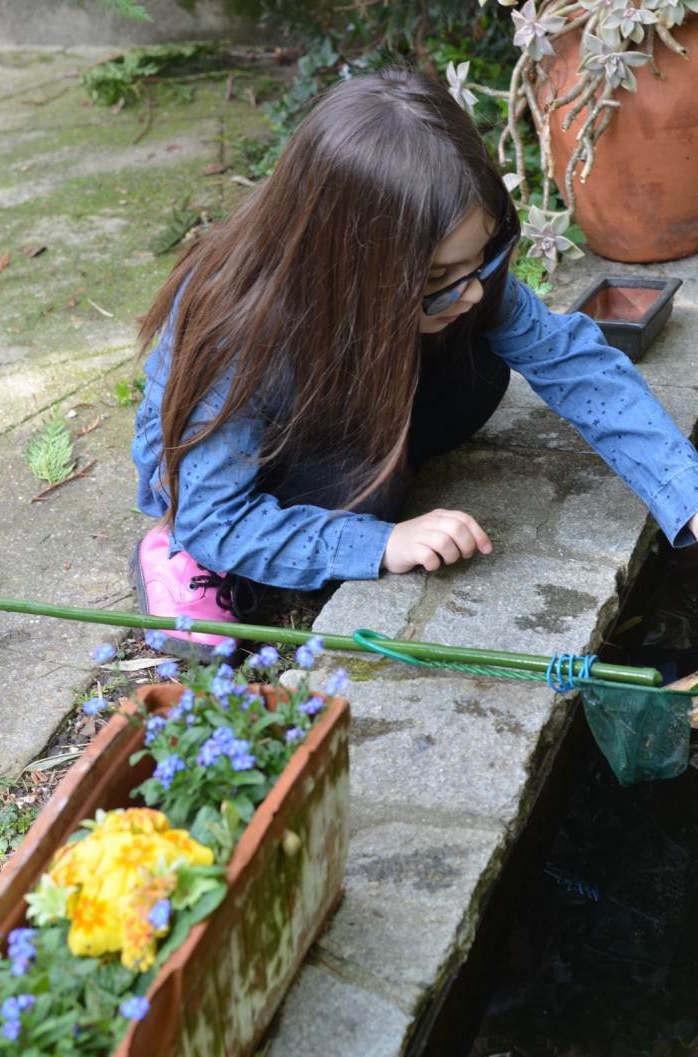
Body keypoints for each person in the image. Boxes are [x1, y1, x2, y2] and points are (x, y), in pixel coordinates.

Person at [131, 67, 698, 656]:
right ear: (349, 262)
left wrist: (687, 493)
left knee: (475, 358)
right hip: (260, 466)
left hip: (368, 390)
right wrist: (382, 543)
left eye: (479, 259)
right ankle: (178, 547)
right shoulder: (242, 334)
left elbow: (573, 365)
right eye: (437, 278)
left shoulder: (458, 285)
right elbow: (220, 514)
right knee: (348, 494)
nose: (472, 290)